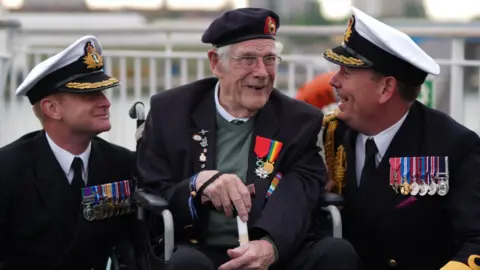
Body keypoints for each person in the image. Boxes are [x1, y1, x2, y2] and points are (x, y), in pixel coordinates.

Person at [137, 7, 362, 270]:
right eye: (247, 59)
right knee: (185, 264)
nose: (262, 72)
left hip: (273, 251)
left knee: (336, 252)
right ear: (215, 62)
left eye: (269, 59)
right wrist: (197, 184)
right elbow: (151, 190)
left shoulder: (299, 121)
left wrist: (270, 245)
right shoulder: (171, 111)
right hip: (199, 248)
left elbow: (300, 191)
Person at [321, 6, 480, 270]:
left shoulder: (453, 147)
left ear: (386, 89)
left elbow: (476, 239)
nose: (333, 81)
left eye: (346, 73)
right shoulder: (335, 133)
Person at [0, 35, 136, 270]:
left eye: (103, 93)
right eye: (91, 95)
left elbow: (136, 243)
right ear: (52, 108)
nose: (106, 103)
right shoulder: (8, 169)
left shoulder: (123, 163)